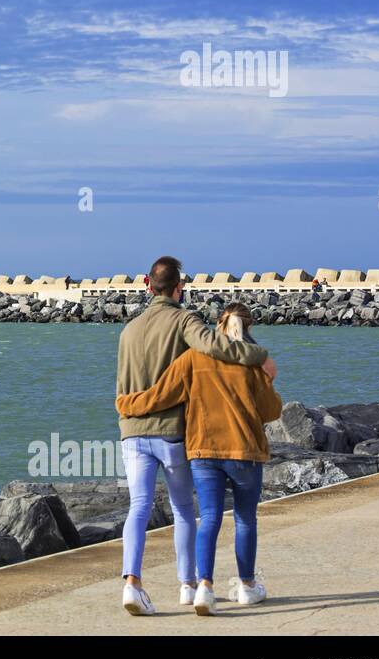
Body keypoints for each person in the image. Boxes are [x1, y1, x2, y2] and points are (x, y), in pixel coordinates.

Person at [116, 256, 275, 616]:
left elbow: (128, 384)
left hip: (131, 430)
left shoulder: (127, 331)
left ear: (146, 284)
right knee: (185, 510)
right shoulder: (184, 320)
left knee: (138, 507)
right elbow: (215, 348)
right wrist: (257, 355)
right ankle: (190, 585)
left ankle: (132, 583)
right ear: (179, 288)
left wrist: (126, 407)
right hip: (171, 433)